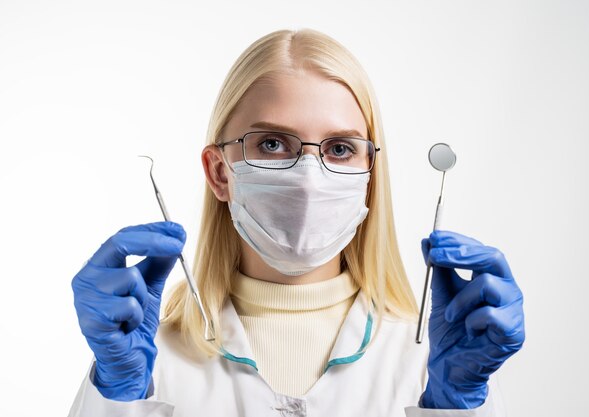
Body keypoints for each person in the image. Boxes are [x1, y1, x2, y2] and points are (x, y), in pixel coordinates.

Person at [68, 28, 525, 416]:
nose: (309, 178)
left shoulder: (431, 360)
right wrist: (119, 398)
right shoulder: (149, 365)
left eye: (340, 149)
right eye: (272, 143)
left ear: (370, 174)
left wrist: (454, 405)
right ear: (218, 171)